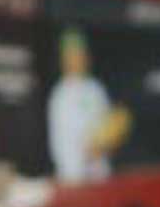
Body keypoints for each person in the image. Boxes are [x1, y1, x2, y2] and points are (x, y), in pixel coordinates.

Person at [45, 27, 127, 184]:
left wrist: (109, 141)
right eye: (73, 57)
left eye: (80, 56)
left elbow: (107, 129)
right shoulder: (60, 95)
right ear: (64, 60)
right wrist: (87, 152)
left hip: (101, 174)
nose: (77, 61)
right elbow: (61, 144)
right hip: (73, 177)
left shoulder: (96, 89)